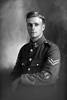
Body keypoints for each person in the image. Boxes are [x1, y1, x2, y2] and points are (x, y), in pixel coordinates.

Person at [11, 11, 61, 87]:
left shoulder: (52, 49)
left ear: (43, 27)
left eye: (36, 24)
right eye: (29, 25)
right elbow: (15, 73)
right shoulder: (24, 49)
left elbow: (50, 77)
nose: (32, 28)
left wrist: (22, 80)